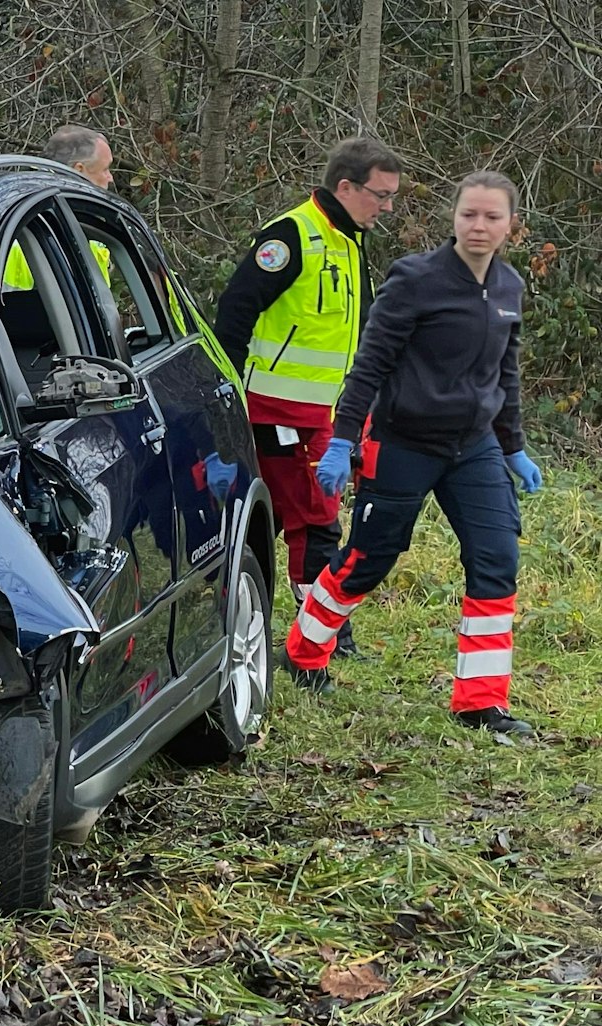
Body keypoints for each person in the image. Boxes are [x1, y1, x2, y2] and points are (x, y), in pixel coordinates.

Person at [284, 171, 542, 734]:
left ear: (510, 225)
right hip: (402, 443)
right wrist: (343, 440)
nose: (479, 226)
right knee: (369, 557)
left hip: (473, 450)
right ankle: (305, 648)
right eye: (469, 214)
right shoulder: (415, 279)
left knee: (497, 559)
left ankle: (480, 703)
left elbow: (506, 373)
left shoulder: (508, 289)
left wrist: (513, 448)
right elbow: (369, 366)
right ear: (453, 217)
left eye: (492, 217)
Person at [214, 137, 402, 659]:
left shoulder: (349, 238)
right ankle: (322, 637)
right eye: (380, 195)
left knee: (277, 517)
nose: (387, 207)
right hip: (278, 411)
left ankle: (261, 619)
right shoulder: (293, 236)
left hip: (325, 413)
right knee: (315, 520)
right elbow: (235, 310)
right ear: (346, 187)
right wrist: (230, 390)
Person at [4, 125, 113, 290]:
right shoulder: (65, 227)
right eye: (105, 169)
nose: (110, 178)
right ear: (79, 170)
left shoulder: (11, 207)